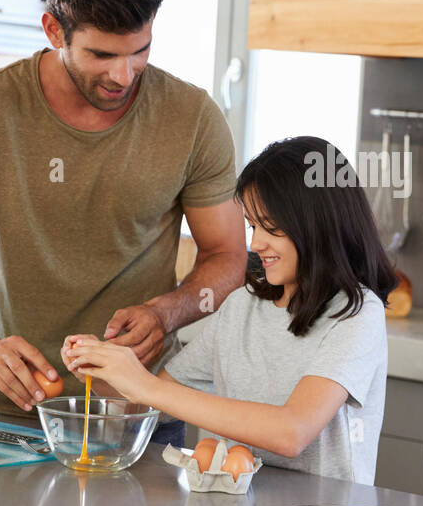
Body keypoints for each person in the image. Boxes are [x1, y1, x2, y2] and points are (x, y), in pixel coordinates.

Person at [0, 0, 248, 447]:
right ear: (52, 30)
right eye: (101, 54)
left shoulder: (193, 118)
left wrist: (167, 312)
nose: (123, 75)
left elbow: (227, 256)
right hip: (13, 420)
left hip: (143, 420)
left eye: (139, 52)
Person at [62, 136, 398, 484]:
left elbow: (292, 432)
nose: (256, 244)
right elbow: (150, 408)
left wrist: (143, 384)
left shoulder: (357, 315)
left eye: (273, 228)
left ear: (320, 224)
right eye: (253, 225)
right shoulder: (242, 307)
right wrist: (102, 374)